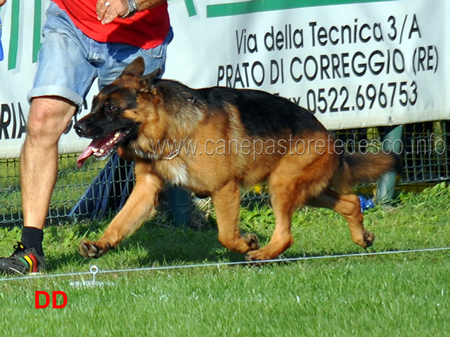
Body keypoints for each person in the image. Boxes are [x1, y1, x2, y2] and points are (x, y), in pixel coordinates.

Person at [0, 0, 172, 275]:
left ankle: (186, 209)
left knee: (142, 144)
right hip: (71, 21)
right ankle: (31, 250)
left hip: (136, 40)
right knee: (42, 121)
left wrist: (129, 3)